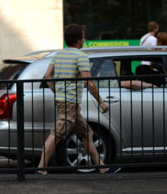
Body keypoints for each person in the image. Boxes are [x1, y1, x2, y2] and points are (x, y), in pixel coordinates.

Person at [38, 24, 117, 175]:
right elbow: (88, 81)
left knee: (87, 133)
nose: (85, 39)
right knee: (56, 135)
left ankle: (102, 167)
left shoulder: (58, 55)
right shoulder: (80, 56)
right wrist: (100, 101)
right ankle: (41, 169)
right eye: (83, 36)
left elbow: (48, 76)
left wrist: (57, 90)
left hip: (65, 103)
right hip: (70, 103)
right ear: (79, 39)